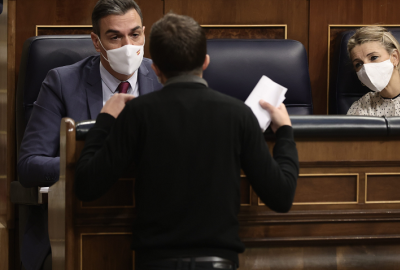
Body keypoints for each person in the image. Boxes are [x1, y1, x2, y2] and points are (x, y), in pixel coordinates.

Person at [74, 13, 299, 269]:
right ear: (205, 62)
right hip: (218, 260)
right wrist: (285, 132)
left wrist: (105, 120)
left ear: (155, 68)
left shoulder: (138, 113)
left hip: (155, 261)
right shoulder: (238, 115)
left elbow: (87, 185)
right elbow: (281, 197)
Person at [17, 1, 162, 269]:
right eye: (115, 36)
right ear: (96, 42)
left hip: (153, 224)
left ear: (144, 33)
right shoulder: (62, 82)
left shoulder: (163, 78)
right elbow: (29, 165)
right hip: (77, 224)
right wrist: (101, 165)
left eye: (135, 34)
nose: (128, 46)